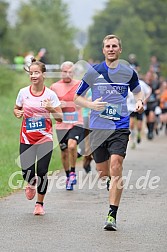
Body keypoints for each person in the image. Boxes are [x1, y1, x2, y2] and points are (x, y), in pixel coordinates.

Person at [74, 34, 144, 231]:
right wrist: (91, 104)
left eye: (114, 46)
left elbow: (138, 91)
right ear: (103, 50)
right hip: (98, 128)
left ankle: (112, 214)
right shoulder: (94, 72)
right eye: (108, 46)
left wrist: (139, 101)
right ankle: (108, 181)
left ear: (119, 50)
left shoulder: (128, 72)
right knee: (103, 172)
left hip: (119, 126)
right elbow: (76, 98)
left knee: (116, 165)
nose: (111, 49)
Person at [13, 58, 62, 215]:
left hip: (45, 139)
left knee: (42, 171)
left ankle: (39, 204)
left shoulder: (50, 94)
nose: (33, 76)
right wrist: (17, 113)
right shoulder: (23, 92)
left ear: (43, 74)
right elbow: (16, 108)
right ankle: (31, 183)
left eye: (37, 72)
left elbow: (60, 117)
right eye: (31, 73)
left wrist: (51, 109)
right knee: (27, 172)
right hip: (27, 138)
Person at [50, 61, 85, 191]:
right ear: (61, 72)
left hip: (77, 121)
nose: (67, 74)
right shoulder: (54, 87)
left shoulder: (79, 85)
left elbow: (84, 102)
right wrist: (59, 105)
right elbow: (50, 104)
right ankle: (67, 176)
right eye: (65, 71)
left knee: (72, 145)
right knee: (64, 152)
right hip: (62, 123)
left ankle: (72, 172)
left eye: (70, 72)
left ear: (73, 72)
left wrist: (74, 103)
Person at [127, 77, 151, 149]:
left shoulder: (141, 83)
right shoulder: (127, 83)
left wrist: (145, 99)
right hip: (131, 107)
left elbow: (149, 90)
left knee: (139, 126)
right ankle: (133, 140)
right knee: (131, 124)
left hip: (140, 107)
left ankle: (139, 134)